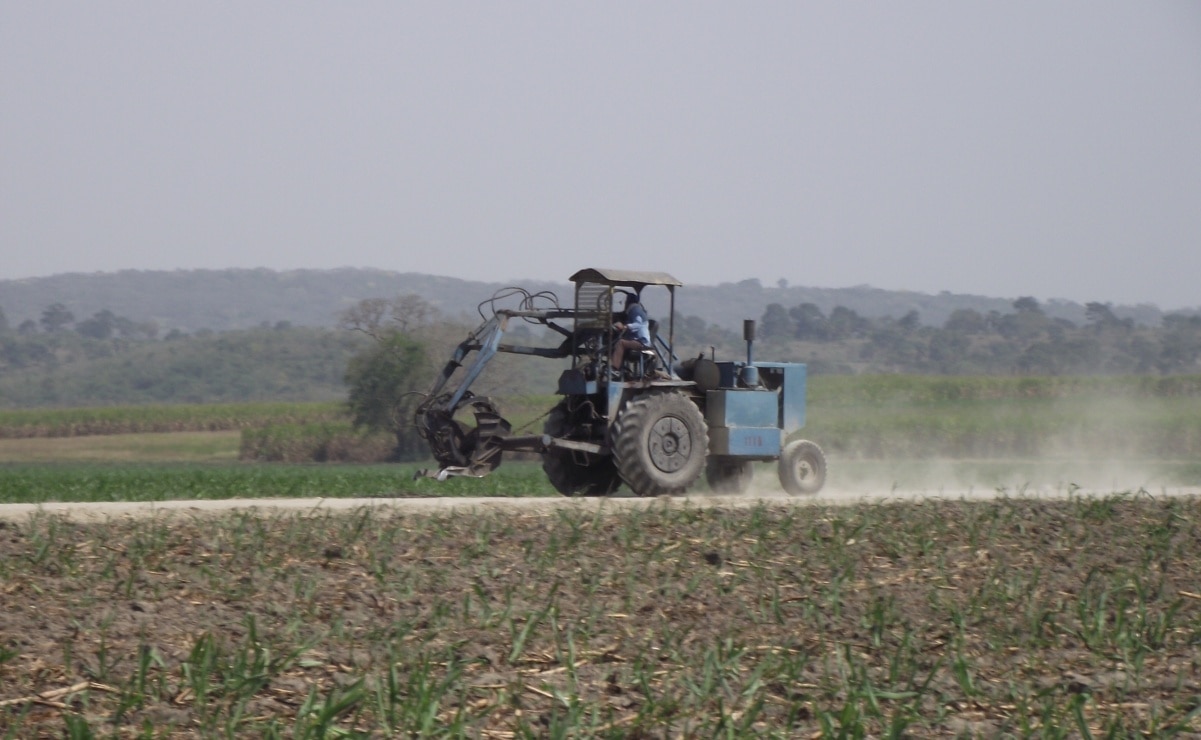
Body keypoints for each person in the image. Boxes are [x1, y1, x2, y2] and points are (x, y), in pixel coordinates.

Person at [610, 294, 652, 378]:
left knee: (621, 343)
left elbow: (638, 324)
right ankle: (620, 369)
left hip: (641, 342)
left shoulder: (635, 310)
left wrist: (625, 326)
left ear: (628, 302)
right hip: (637, 340)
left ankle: (614, 369)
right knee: (621, 342)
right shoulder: (637, 310)